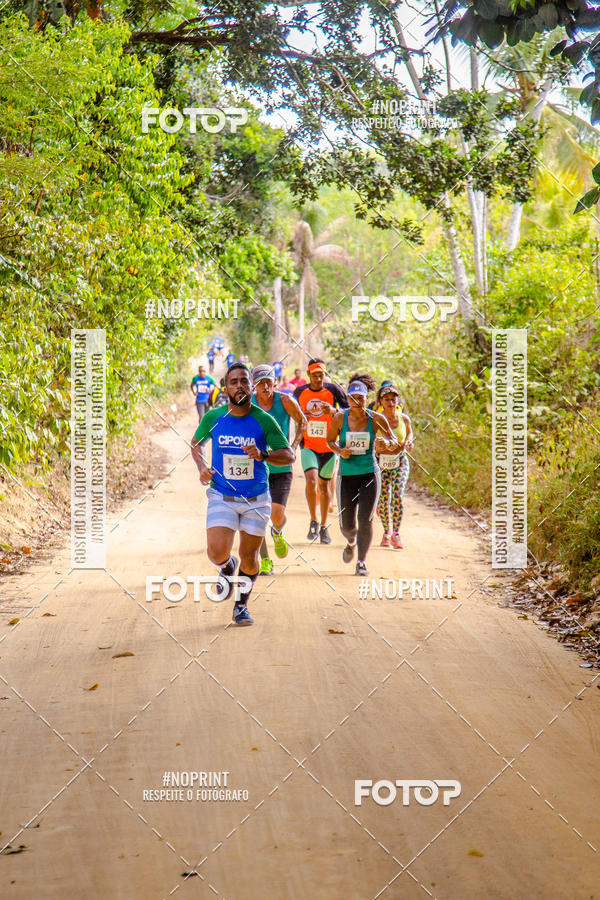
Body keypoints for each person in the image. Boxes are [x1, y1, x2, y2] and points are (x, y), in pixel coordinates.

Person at [191, 363, 293, 625]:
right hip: (221, 495)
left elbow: (289, 455)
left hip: (256, 500)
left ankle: (241, 606)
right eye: (233, 381)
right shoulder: (213, 418)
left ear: (251, 386)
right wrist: (202, 466)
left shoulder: (263, 419)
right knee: (215, 552)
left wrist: (264, 454)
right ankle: (226, 566)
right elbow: (196, 443)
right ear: (226, 387)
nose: (239, 386)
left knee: (251, 559)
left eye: (244, 381)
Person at [326, 374, 395, 576]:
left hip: (369, 475)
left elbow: (391, 439)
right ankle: (351, 541)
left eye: (361, 398)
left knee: (366, 519)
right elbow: (330, 441)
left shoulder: (376, 419)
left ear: (367, 398)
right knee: (347, 524)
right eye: (353, 398)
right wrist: (340, 451)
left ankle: (362, 562)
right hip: (346, 476)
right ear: (347, 399)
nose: (357, 402)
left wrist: (385, 444)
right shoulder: (340, 417)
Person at [251, 364, 307, 574]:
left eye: (268, 381)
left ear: (275, 382)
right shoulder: (249, 405)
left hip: (281, 465)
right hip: (257, 466)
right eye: (260, 382)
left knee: (276, 514)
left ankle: (277, 531)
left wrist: (292, 447)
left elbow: (303, 421)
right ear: (253, 385)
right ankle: (265, 560)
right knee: (257, 515)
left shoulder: (285, 401)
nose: (265, 386)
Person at [293, 358, 348, 543]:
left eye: (322, 375)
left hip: (330, 446)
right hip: (308, 445)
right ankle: (313, 520)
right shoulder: (300, 392)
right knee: (311, 480)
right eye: (315, 375)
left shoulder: (333, 390)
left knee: (324, 486)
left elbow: (349, 412)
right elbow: (292, 414)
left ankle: (324, 526)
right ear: (308, 375)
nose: (318, 378)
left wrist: (333, 411)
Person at [376, 383, 413, 549]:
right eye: (387, 400)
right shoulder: (376, 419)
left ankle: (396, 533)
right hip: (381, 464)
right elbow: (372, 442)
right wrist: (379, 445)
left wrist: (409, 441)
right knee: (383, 499)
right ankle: (386, 532)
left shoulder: (404, 419)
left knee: (397, 494)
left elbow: (410, 432)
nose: (391, 403)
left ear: (397, 401)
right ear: (381, 402)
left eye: (393, 399)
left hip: (400, 462)